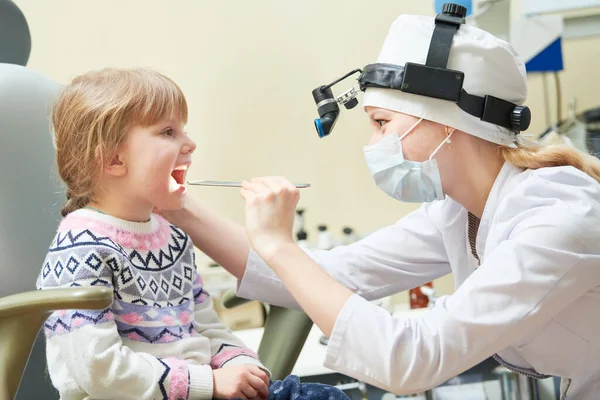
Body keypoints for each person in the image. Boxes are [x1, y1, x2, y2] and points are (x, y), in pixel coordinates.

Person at [160, 11, 600, 400]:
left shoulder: (559, 215)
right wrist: (178, 207)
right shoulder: (458, 211)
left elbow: (413, 360)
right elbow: (330, 276)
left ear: (449, 121)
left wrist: (280, 245)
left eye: (381, 123)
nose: (374, 144)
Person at [36, 68, 350, 400]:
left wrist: (240, 364)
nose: (190, 144)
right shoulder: (81, 249)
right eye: (168, 132)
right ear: (114, 158)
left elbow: (206, 327)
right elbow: (99, 372)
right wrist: (210, 382)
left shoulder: (172, 239)